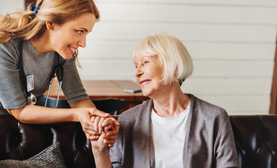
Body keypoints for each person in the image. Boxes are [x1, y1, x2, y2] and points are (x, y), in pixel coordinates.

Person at [0, 0, 119, 147]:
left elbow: (78, 99)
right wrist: (77, 115)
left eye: (86, 33)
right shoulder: (1, 44)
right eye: (79, 31)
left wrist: (101, 122)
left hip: (29, 116)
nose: (83, 43)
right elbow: (19, 110)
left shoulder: (63, 52)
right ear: (51, 23)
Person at [91, 34, 240, 168]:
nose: (137, 73)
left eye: (146, 62)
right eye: (136, 66)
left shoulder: (213, 117)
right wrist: (99, 151)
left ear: (174, 66)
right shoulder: (128, 120)